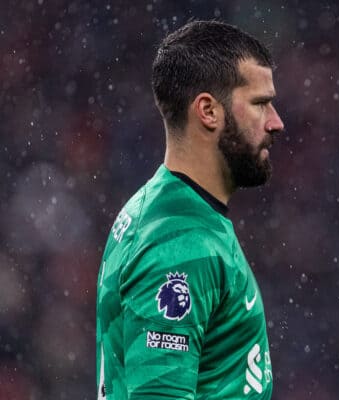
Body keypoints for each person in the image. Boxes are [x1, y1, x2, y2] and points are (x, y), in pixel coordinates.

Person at [96, 20, 285, 400]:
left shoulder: (173, 211)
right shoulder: (179, 245)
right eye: (260, 104)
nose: (275, 122)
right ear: (208, 111)